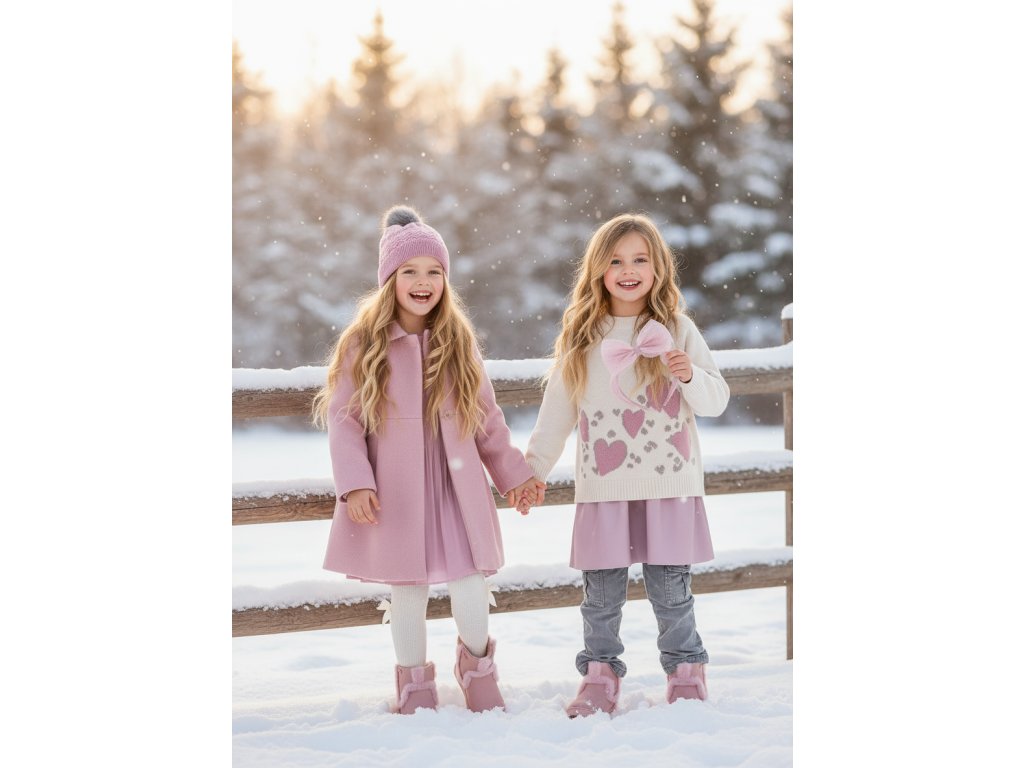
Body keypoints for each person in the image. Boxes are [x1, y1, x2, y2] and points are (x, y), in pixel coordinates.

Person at [313, 205, 543, 715]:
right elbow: (345, 419)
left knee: (470, 582)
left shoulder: (457, 341)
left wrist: (513, 474)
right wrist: (355, 482)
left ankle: (476, 668)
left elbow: (486, 418)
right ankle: (414, 683)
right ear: (389, 279)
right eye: (410, 271)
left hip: (455, 488)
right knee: (408, 591)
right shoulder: (364, 344)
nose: (423, 282)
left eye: (434, 271)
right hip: (396, 490)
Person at [520, 213, 730, 717]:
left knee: (671, 591)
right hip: (604, 486)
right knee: (600, 595)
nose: (628, 270)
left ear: (658, 268)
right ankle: (600, 674)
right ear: (598, 269)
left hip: (668, 482)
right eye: (616, 261)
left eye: (640, 259)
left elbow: (716, 401)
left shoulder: (677, 329)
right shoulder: (583, 334)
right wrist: (533, 469)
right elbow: (557, 410)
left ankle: (685, 672)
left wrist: (688, 375)